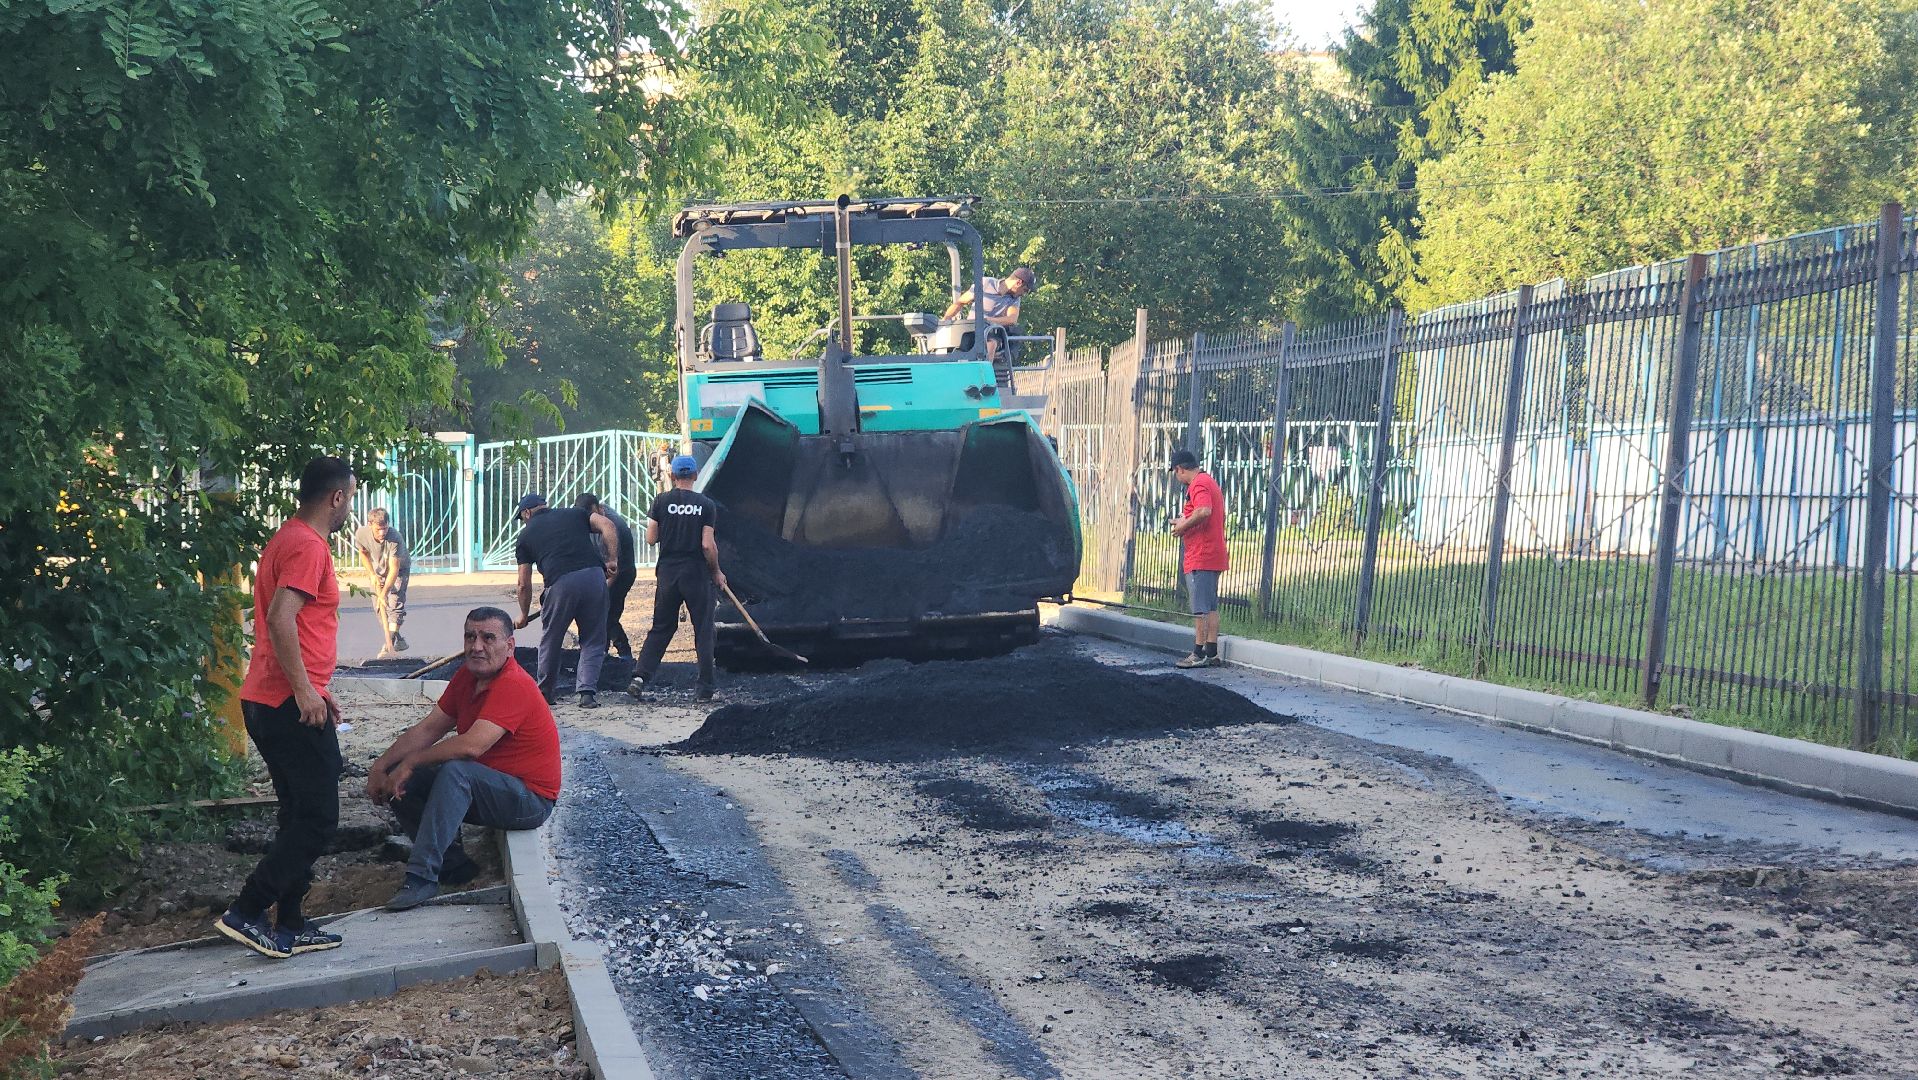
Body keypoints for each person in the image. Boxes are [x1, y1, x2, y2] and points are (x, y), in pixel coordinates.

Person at [215, 456, 356, 959]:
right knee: (318, 819)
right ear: (336, 497)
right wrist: (302, 690)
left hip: (272, 696)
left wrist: (315, 686)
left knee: (298, 811)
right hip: (283, 700)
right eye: (351, 496)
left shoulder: (288, 536)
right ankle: (247, 910)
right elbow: (280, 618)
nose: (350, 506)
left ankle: (291, 922)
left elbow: (292, 626)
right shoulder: (307, 545)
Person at [366, 607, 560, 911]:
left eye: (488, 638)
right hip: (490, 788)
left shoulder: (514, 684)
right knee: (403, 770)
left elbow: (472, 747)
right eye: (470, 637)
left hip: (530, 800)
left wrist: (412, 762)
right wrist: (381, 766)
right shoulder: (467, 678)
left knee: (456, 770)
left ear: (509, 646)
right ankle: (453, 866)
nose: (477, 646)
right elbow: (428, 729)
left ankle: (421, 878)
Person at [626, 455, 726, 703]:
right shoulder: (705, 505)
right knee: (703, 629)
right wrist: (716, 572)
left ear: (672, 476)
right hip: (695, 573)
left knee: (662, 627)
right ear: (694, 475)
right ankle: (705, 689)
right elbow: (707, 545)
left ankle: (639, 677)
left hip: (668, 573)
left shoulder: (661, 501)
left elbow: (651, 538)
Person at [513, 493, 619, 708]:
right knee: (593, 639)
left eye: (522, 517)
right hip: (594, 577)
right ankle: (587, 693)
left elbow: (523, 583)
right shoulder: (576, 514)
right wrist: (612, 559)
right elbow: (608, 525)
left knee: (552, 639)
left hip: (561, 584)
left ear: (527, 512)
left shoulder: (525, 536)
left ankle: (544, 694)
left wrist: (523, 614)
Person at [1168, 448, 1227, 669]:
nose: (1177, 477)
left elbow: (1203, 511)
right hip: (1212, 553)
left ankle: (1198, 653)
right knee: (1210, 606)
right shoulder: (1208, 481)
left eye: (1176, 472)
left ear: (1180, 469)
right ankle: (1211, 652)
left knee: (1200, 607)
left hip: (1201, 555)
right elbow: (1201, 512)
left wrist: (1183, 525)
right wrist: (1183, 519)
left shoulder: (1198, 484)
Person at [575, 493, 639, 660]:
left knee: (607, 613)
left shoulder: (612, 527)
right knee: (601, 613)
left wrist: (597, 591)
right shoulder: (583, 519)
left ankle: (623, 653)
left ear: (599, 509)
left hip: (622, 573)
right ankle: (602, 651)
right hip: (601, 571)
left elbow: (614, 569)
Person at [941, 266, 1035, 361]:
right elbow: (960, 303)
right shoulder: (986, 283)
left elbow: (1012, 319)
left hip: (990, 332)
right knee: (953, 340)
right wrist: (945, 319)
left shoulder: (1014, 299)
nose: (1024, 294)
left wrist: (987, 321)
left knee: (991, 343)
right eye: (1025, 290)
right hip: (970, 329)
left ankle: (984, 372)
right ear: (1018, 283)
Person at [352, 507, 410, 656]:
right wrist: (371, 574)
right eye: (378, 529)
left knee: (394, 603)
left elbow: (394, 568)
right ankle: (398, 640)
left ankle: (387, 647)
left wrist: (384, 592)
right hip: (378, 571)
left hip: (398, 571)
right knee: (380, 607)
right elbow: (363, 553)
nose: (382, 533)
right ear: (370, 524)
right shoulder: (361, 534)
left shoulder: (394, 537)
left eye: (384, 528)